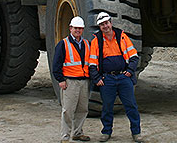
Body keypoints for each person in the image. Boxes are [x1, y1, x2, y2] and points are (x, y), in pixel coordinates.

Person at [88, 12, 143, 143]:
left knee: (131, 105)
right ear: (99, 27)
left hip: (123, 77)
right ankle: (106, 132)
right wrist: (97, 79)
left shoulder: (122, 37)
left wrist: (130, 71)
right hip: (107, 80)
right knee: (107, 107)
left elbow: (134, 56)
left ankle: (136, 133)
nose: (105, 26)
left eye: (106, 23)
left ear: (110, 23)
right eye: (102, 25)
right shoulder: (97, 41)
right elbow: (92, 63)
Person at [52, 16, 91, 143]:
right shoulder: (63, 44)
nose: (78, 30)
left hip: (84, 81)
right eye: (76, 28)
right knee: (68, 110)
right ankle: (65, 137)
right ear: (70, 28)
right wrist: (60, 80)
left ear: (83, 29)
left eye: (80, 28)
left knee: (82, 109)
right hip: (70, 82)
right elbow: (56, 64)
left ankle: (78, 133)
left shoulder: (86, 44)